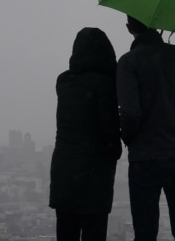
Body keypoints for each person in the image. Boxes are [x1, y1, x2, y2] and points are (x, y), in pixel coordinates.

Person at [117, 15, 175, 241]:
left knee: (145, 231)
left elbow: (131, 112)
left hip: (146, 158)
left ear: (129, 28)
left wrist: (128, 137)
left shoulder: (128, 62)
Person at [49, 27, 122, 241]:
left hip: (64, 172)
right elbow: (108, 135)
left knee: (66, 231)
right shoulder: (104, 85)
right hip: (94, 175)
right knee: (94, 232)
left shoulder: (63, 82)